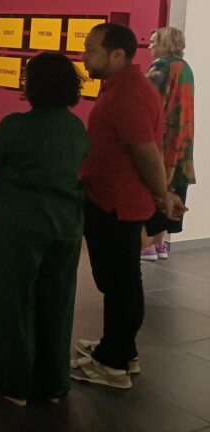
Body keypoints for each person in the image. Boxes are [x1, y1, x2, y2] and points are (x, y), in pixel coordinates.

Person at [71, 23, 186, 389]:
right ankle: (119, 348)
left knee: (120, 284)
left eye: (91, 50)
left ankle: (114, 363)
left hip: (117, 204)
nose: (85, 56)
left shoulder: (127, 94)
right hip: (112, 199)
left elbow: (145, 151)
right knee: (119, 281)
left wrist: (162, 194)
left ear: (117, 54)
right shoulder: (123, 87)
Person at [0, 52, 90, 406]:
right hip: (66, 226)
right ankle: (52, 382)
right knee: (57, 303)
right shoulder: (76, 127)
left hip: (18, 227)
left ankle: (12, 382)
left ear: (33, 85)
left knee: (10, 301)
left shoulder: (16, 125)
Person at [140, 27, 195, 261]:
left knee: (149, 190)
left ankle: (145, 246)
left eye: (154, 42)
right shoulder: (185, 67)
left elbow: (146, 101)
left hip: (162, 141)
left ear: (164, 42)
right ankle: (159, 244)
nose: (149, 46)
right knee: (172, 190)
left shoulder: (161, 65)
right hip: (182, 143)